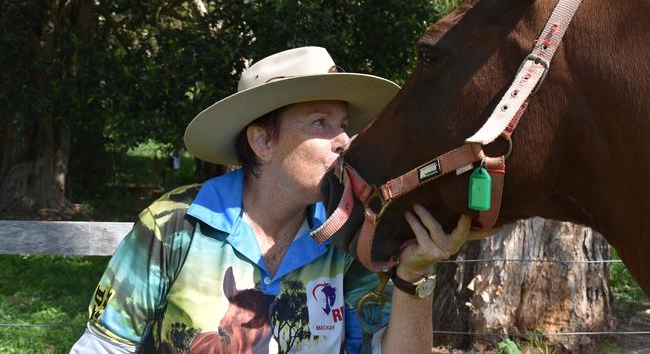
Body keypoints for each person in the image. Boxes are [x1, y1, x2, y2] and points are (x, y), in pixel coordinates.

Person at [70, 46, 489, 354]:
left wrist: (413, 277)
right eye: (320, 123)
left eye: (343, 124)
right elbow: (104, 347)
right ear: (262, 141)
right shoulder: (174, 224)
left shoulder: (351, 241)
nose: (345, 140)